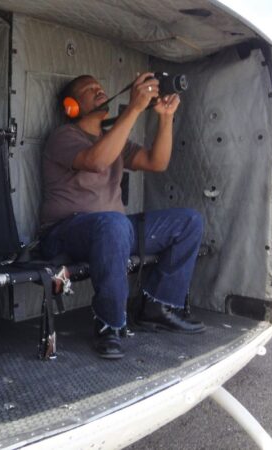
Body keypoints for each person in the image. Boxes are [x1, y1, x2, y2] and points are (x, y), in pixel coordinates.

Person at [40, 73, 206, 360]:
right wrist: (133, 109)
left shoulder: (112, 139)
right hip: (65, 233)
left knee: (189, 221)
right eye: (89, 89)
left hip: (113, 230)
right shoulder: (63, 136)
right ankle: (110, 324)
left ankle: (157, 306)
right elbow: (95, 161)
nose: (99, 90)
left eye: (101, 86)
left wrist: (165, 117)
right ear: (72, 106)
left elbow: (157, 162)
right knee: (113, 223)